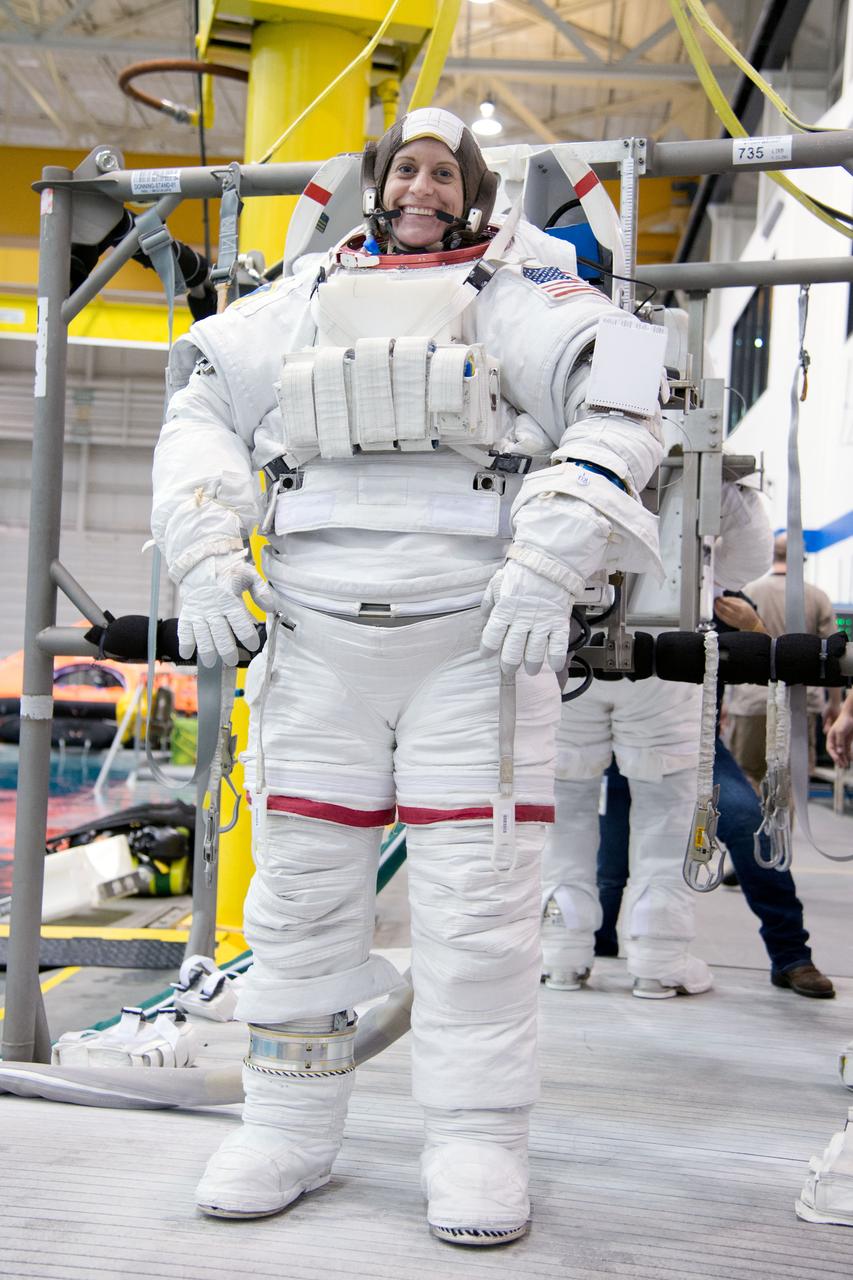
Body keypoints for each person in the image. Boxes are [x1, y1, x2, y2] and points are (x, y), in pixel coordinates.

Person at [151, 108, 665, 1242]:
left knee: (476, 910)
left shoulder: (521, 293)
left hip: (473, 647)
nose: (419, 185)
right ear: (373, 187)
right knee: (295, 899)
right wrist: (200, 552)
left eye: (443, 170)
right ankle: (286, 1118)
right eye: (403, 168)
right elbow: (196, 413)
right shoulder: (297, 299)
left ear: (476, 193)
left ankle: (476, 1137)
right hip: (316, 642)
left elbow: (624, 407)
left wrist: (550, 556)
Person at [541, 480, 772, 998]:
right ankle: (658, 959)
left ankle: (561, 951)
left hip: (572, 650)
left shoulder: (558, 446)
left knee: (566, 804)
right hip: (666, 652)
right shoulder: (700, 459)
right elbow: (747, 561)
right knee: (665, 809)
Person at [590, 591, 835, 999]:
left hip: (696, 745)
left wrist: (754, 628)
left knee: (748, 824)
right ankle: (594, 947)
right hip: (615, 741)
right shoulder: (609, 593)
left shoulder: (715, 599)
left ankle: (791, 954)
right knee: (609, 861)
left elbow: (775, 663)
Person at [727, 534, 841, 787]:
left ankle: (755, 827)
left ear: (771, 555)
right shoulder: (817, 596)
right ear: (802, 559)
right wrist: (835, 704)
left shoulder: (747, 593)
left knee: (748, 778)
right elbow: (837, 656)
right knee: (789, 782)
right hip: (800, 703)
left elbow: (726, 651)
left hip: (751, 702)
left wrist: (724, 702)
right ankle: (782, 828)